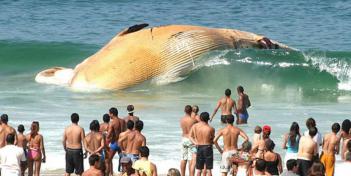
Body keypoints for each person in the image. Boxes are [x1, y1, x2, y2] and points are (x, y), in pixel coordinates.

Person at [190, 112, 215, 176]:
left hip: (199, 147)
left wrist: (195, 143)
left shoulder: (195, 126)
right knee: (208, 170)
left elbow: (190, 136)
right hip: (208, 147)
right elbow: (213, 140)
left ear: (200, 118)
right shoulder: (211, 128)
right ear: (208, 119)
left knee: (199, 170)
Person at [107, 107, 126, 176]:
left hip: (114, 143)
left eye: (109, 113)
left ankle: (111, 174)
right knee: (123, 160)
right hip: (122, 143)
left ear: (112, 114)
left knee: (108, 159)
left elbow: (108, 135)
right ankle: (123, 174)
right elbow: (125, 132)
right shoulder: (123, 121)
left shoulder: (112, 123)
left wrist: (106, 141)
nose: (109, 115)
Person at [179, 105, 197, 176]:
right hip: (191, 140)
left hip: (183, 139)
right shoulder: (193, 120)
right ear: (191, 111)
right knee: (191, 160)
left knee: (183, 159)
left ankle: (182, 174)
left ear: (184, 111)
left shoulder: (181, 119)